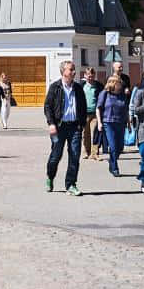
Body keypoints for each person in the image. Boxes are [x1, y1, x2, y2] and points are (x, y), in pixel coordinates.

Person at [42, 60, 88, 196]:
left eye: (74, 69)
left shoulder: (78, 88)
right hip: (58, 127)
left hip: (75, 127)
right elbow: (47, 107)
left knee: (74, 156)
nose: (73, 72)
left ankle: (71, 184)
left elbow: (83, 107)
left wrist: (82, 124)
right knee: (56, 156)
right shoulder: (55, 87)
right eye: (70, 69)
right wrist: (51, 123)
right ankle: (50, 177)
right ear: (63, 72)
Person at [95, 75, 129, 176]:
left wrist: (129, 121)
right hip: (108, 122)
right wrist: (99, 122)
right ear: (113, 84)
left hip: (121, 122)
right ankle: (115, 168)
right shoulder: (105, 94)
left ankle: (112, 161)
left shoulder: (122, 95)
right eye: (119, 83)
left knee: (120, 147)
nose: (121, 85)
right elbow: (98, 108)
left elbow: (125, 108)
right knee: (113, 147)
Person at [80, 68, 101, 160]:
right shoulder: (81, 86)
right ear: (85, 75)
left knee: (95, 133)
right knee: (85, 133)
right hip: (84, 113)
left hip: (95, 113)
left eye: (92, 76)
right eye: (88, 76)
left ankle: (95, 153)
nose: (90, 78)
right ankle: (86, 152)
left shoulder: (99, 86)